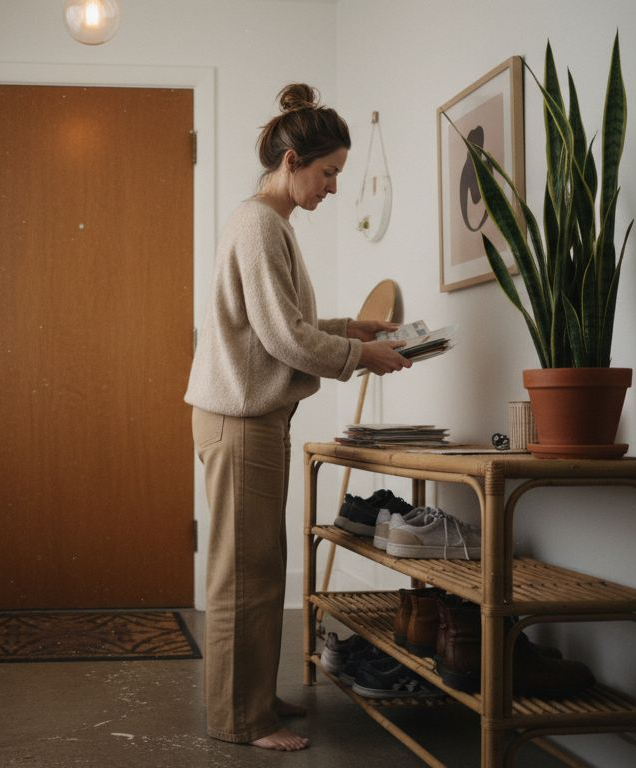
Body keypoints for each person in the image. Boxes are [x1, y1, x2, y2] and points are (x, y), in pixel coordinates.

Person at [184, 83, 410, 752]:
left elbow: (283, 324)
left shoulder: (267, 223)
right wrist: (361, 355)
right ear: (292, 161)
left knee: (258, 565)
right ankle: (240, 717)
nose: (333, 187)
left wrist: (351, 328)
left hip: (248, 417)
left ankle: (252, 695)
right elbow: (284, 337)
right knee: (244, 573)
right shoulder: (260, 224)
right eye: (328, 173)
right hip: (241, 420)